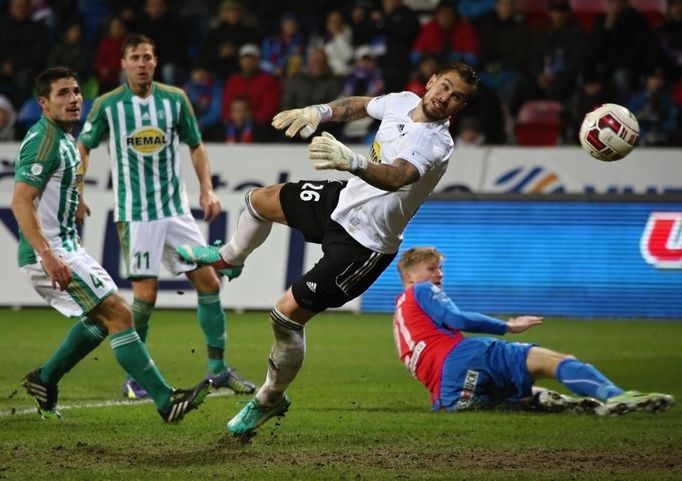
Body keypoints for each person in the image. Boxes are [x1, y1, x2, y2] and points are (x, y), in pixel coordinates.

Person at [176, 62, 480, 438]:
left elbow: (397, 177)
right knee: (260, 200)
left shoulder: (435, 143)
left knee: (284, 317)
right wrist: (318, 112)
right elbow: (358, 106)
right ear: (432, 81)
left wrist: (351, 160)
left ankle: (270, 398)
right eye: (445, 86)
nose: (445, 98)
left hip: (363, 246)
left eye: (457, 98)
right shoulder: (402, 101)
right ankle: (230, 259)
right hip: (341, 203)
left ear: (459, 108)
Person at [12, 66, 211, 422]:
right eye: (63, 94)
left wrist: (75, 202)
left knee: (104, 319)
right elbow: (20, 201)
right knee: (120, 314)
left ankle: (45, 379)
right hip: (52, 253)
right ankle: (167, 401)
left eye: (76, 91)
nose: (74, 99)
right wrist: (47, 256)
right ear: (43, 103)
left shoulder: (64, 139)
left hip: (67, 247)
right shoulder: (44, 141)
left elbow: (53, 191)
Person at [77, 35, 255, 400]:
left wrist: (206, 188)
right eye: (134, 58)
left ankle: (218, 371)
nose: (141, 63)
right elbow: (84, 145)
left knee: (208, 284)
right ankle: (134, 378)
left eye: (147, 57)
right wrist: (77, 192)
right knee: (147, 295)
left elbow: (196, 143)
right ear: (124, 64)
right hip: (136, 215)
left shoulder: (174, 99)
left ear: (155, 62)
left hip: (175, 212)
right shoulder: (108, 105)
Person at [393, 247, 675, 415]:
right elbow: (458, 319)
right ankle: (617, 396)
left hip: (447, 393)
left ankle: (559, 403)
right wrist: (507, 326)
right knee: (550, 360)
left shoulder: (400, 314)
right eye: (432, 268)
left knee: (514, 393)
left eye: (440, 269)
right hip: (462, 358)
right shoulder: (421, 289)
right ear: (409, 276)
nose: (439, 275)